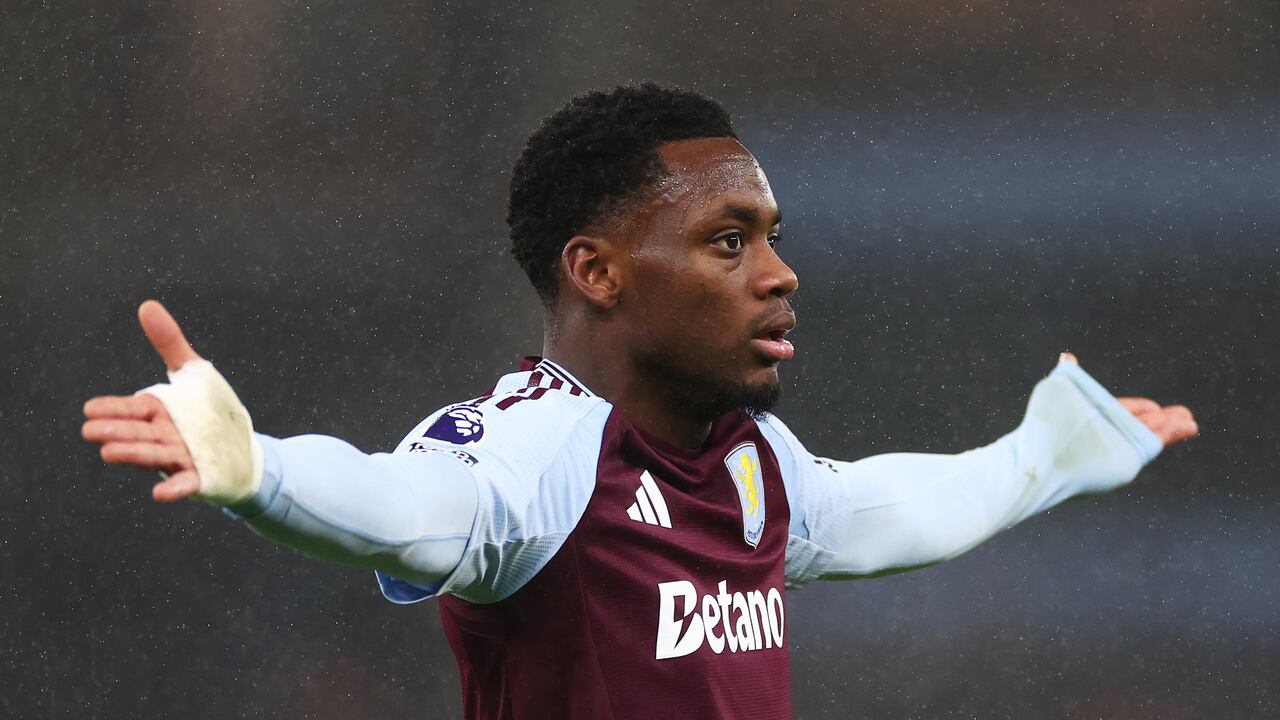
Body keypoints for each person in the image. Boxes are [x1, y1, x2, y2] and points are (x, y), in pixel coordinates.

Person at [81, 84, 1198, 719]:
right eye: (726, 242)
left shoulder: (751, 460)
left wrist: (1044, 454)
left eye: (769, 239)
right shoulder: (541, 449)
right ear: (597, 272)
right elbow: (408, 506)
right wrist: (262, 473)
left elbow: (887, 516)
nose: (777, 273)